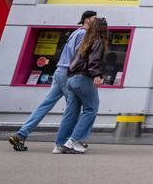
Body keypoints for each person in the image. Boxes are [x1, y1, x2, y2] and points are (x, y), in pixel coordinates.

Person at [8, 10, 96, 151]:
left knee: (45, 105)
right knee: (72, 109)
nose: (96, 21)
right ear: (87, 20)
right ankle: (68, 141)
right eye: (94, 18)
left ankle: (22, 134)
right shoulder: (84, 34)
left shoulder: (75, 32)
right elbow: (79, 55)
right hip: (69, 73)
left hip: (59, 72)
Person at [54, 16, 109, 154]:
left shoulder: (84, 41)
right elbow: (94, 60)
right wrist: (97, 75)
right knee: (91, 109)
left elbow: (74, 58)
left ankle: (59, 144)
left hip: (71, 78)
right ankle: (74, 140)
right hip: (84, 78)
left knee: (71, 111)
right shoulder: (98, 41)